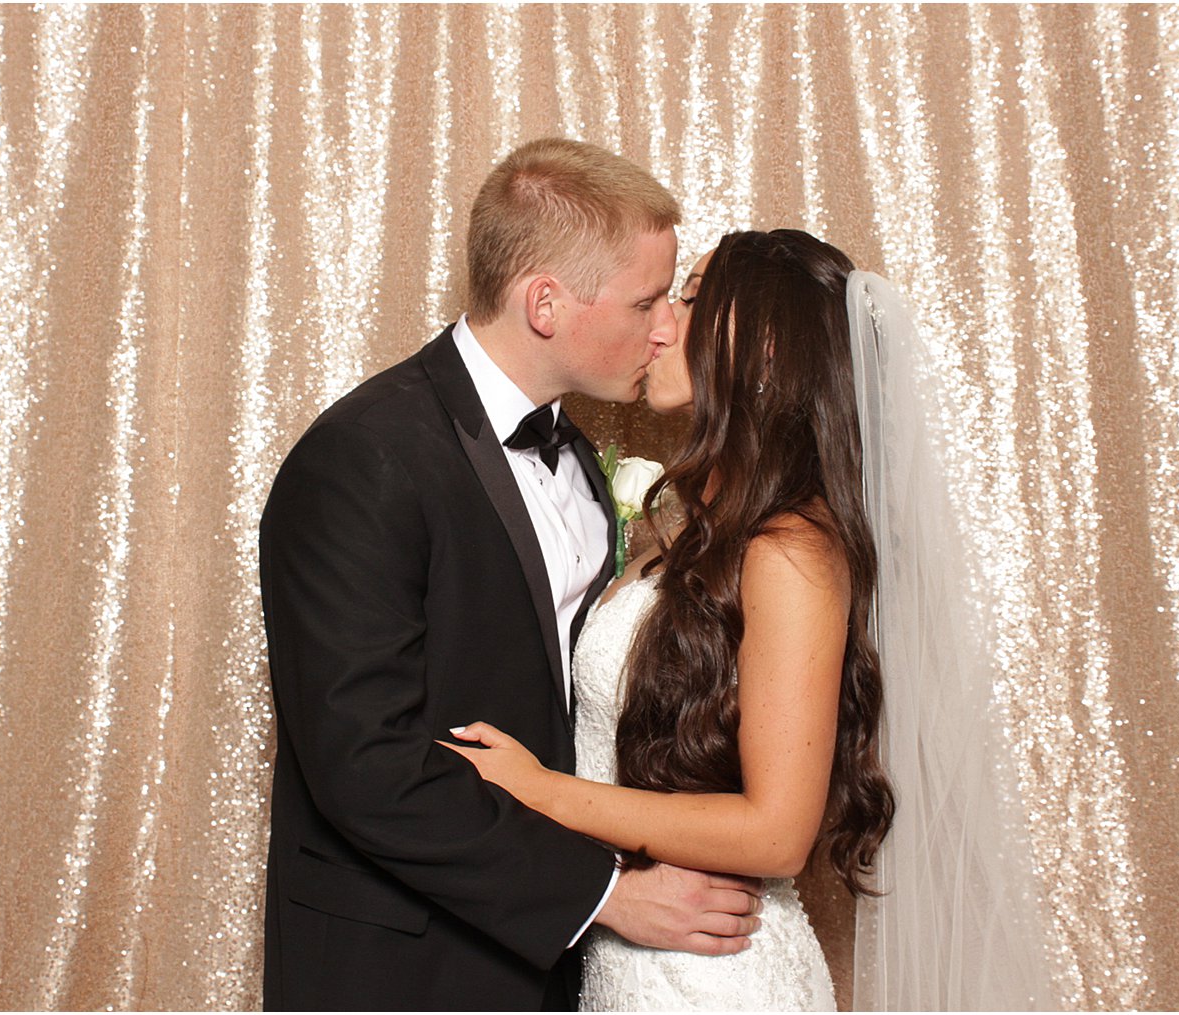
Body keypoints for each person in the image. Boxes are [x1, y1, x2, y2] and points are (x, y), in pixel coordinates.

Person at [447, 229, 1059, 1010]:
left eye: (694, 298)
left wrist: (543, 792)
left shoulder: (791, 550)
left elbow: (777, 831)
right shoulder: (698, 526)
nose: (660, 322)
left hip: (719, 974)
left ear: (764, 349)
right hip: (633, 959)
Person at [258, 139, 765, 1012]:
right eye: (646, 300)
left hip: (557, 966)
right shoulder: (362, 457)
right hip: (403, 967)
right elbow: (366, 764)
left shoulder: (581, 459)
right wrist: (605, 896)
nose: (664, 328)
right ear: (544, 303)